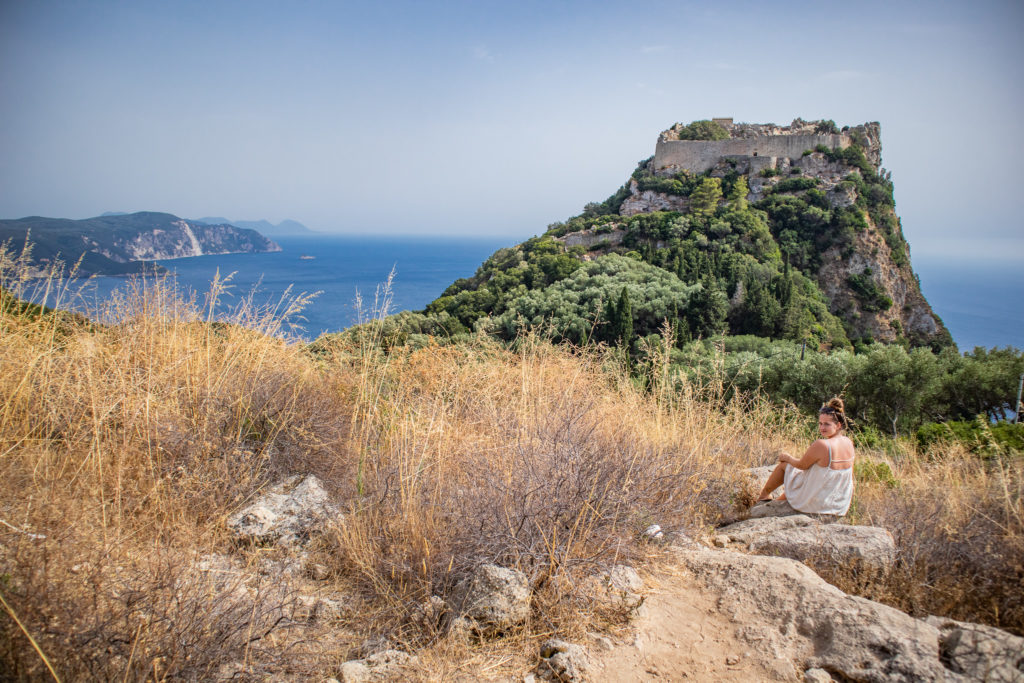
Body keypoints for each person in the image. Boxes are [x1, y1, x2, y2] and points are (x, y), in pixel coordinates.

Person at [754, 398, 855, 517]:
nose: (822, 428)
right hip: (839, 506)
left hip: (817, 505)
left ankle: (763, 496)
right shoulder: (848, 442)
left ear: (838, 425)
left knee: (784, 466)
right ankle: (778, 503)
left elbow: (801, 465)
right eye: (820, 423)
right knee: (805, 477)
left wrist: (787, 457)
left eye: (827, 424)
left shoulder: (822, 444)